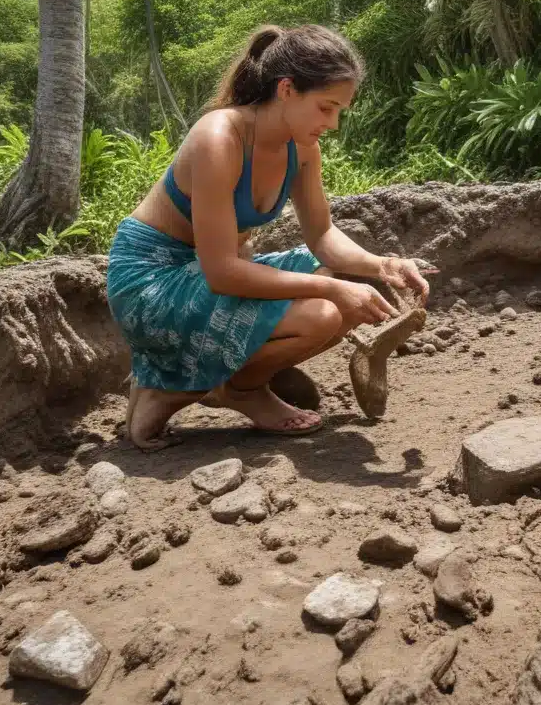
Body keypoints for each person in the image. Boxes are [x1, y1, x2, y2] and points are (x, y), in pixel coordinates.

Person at [106, 24, 432, 450]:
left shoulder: (302, 148)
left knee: (335, 279)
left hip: (201, 278)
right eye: (325, 107)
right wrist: (332, 289)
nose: (331, 124)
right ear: (286, 89)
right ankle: (185, 389)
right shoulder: (219, 137)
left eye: (339, 111)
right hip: (151, 284)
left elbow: (323, 235)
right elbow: (222, 272)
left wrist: (382, 265)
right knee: (325, 311)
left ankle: (236, 383)